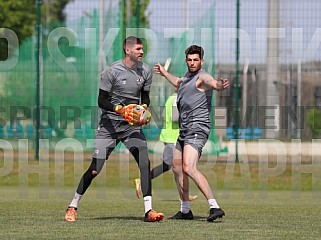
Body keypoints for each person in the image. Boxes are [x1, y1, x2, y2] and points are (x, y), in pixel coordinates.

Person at [64, 36, 164, 222]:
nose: (142, 52)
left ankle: (148, 211)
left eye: (142, 49)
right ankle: (72, 206)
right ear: (128, 50)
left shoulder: (146, 71)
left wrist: (144, 109)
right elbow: (101, 101)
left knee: (144, 162)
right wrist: (121, 109)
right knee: (95, 169)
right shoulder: (111, 71)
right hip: (109, 125)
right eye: (139, 49)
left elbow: (145, 97)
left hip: (130, 128)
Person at [153, 45, 230, 222]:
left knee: (188, 167)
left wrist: (220, 85)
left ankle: (214, 206)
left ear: (201, 61)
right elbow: (178, 82)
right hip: (185, 130)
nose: (192, 63)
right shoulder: (187, 77)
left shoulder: (202, 76)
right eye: (189, 60)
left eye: (196, 60)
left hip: (198, 128)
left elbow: (213, 83)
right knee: (177, 167)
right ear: (186, 60)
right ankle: (185, 210)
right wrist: (165, 73)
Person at [134, 92, 198, 202]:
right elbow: (174, 118)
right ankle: (142, 180)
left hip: (170, 136)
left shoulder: (171, 98)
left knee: (175, 168)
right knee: (170, 166)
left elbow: (164, 115)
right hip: (173, 138)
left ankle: (183, 195)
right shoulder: (177, 99)